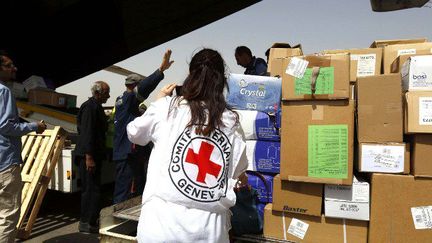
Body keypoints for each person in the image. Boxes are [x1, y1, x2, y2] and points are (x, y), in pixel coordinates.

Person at [127, 48, 248, 242]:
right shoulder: (231, 121)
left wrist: (158, 101)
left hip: (159, 228)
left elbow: (134, 133)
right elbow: (238, 170)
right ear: (221, 81)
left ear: (191, 75)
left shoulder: (168, 107)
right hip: (209, 232)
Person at [112, 49, 174, 204]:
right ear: (134, 86)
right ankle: (117, 220)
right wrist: (160, 71)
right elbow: (144, 89)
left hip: (123, 149)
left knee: (129, 184)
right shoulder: (128, 98)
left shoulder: (121, 100)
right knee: (124, 188)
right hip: (127, 151)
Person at [0, 51, 46, 242]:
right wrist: (35, 126)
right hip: (5, 163)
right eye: (9, 65)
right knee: (8, 215)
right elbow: (5, 125)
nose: (14, 68)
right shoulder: (4, 91)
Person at [75, 80, 110, 233]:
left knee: (93, 189)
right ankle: (86, 223)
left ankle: (90, 221)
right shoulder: (90, 108)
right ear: (98, 93)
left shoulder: (96, 107)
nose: (108, 96)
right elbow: (87, 133)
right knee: (90, 190)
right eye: (106, 93)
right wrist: (89, 157)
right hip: (90, 156)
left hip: (94, 154)